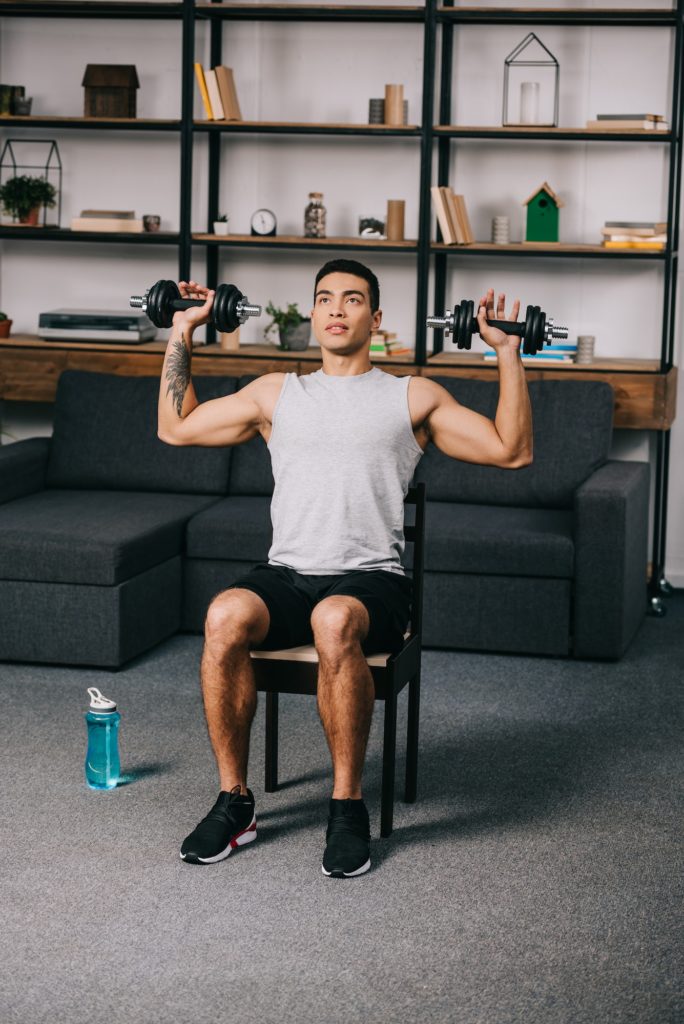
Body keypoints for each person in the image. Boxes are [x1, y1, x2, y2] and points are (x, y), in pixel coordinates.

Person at [158, 258, 533, 878]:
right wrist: (181, 331)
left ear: (375, 317)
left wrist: (508, 354)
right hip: (287, 574)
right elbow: (176, 429)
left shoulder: (411, 394)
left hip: (372, 582)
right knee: (224, 614)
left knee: (333, 620)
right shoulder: (276, 392)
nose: (336, 309)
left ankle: (346, 805)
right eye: (325, 298)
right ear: (312, 313)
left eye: (352, 299)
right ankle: (235, 801)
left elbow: (511, 450)